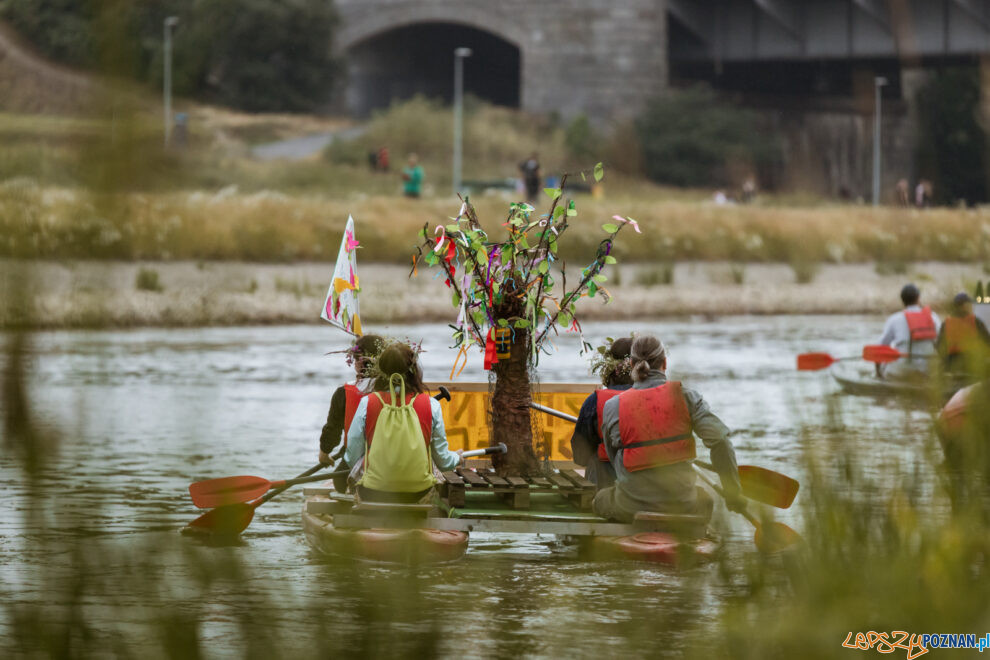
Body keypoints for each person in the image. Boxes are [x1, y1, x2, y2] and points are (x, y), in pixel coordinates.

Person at [593, 335, 745, 523]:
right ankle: (690, 537)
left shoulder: (613, 406)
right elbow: (721, 441)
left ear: (631, 364)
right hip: (682, 502)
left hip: (630, 505)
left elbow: (614, 456)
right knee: (705, 499)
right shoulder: (687, 397)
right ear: (665, 363)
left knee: (600, 500)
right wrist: (733, 493)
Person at [345, 342, 462, 503]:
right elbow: (443, 461)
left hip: (373, 491)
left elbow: (352, 456)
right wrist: (457, 458)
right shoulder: (432, 405)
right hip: (419, 493)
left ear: (382, 370)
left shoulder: (367, 403)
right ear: (414, 371)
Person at [318, 334, 387, 492]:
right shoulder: (401, 390)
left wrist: (324, 453)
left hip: (357, 467)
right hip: (394, 463)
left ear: (357, 362)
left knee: (339, 480)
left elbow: (333, 429)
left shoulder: (344, 393)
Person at [570, 337, 634, 489]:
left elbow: (581, 448)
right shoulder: (653, 397)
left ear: (608, 366)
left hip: (603, 478)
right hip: (646, 475)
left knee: (594, 459)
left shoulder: (595, 401)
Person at [876, 284, 942, 379]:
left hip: (901, 372)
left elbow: (881, 347)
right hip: (927, 372)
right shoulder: (933, 317)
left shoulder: (894, 319)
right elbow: (942, 343)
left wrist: (878, 372)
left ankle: (878, 378)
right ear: (918, 298)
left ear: (903, 301)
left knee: (884, 367)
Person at [937, 292, 990, 377]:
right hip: (972, 367)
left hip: (951, 367)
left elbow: (940, 347)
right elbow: (987, 342)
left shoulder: (946, 324)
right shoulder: (976, 322)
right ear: (964, 306)